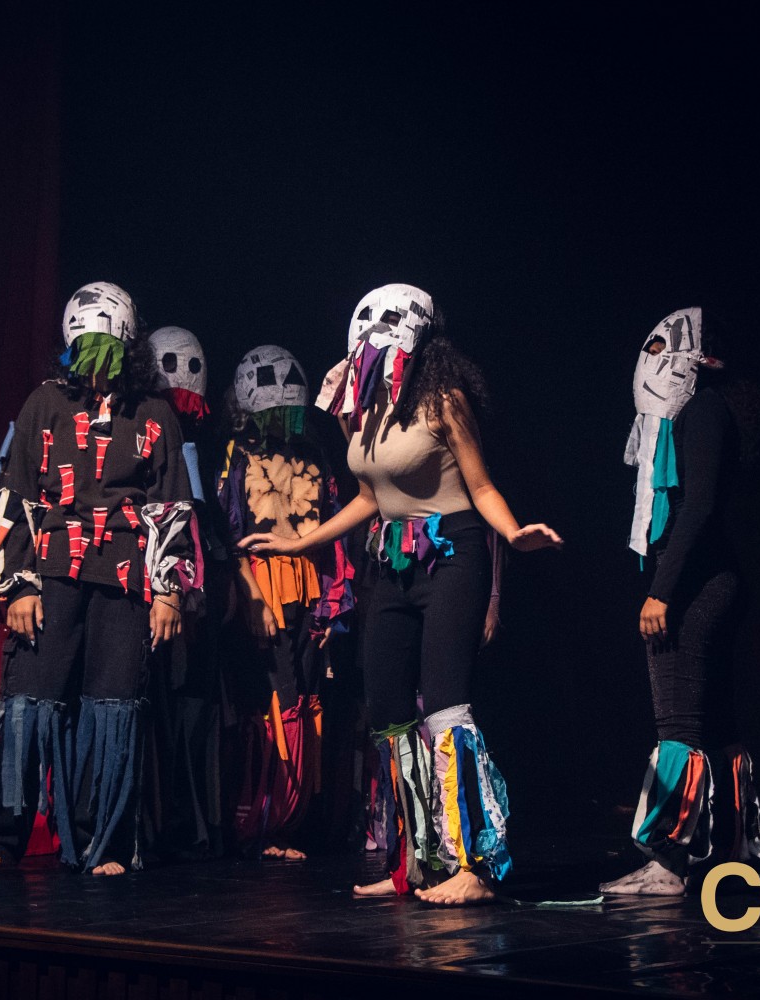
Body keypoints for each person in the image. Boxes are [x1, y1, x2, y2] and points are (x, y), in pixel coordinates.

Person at [240, 283, 562, 906]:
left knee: (445, 706)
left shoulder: (443, 400)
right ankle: (416, 861)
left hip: (452, 552)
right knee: (389, 712)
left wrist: (513, 533)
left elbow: (481, 486)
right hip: (390, 561)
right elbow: (370, 497)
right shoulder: (364, 409)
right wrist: (300, 543)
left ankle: (471, 863)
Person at [0, 282, 199, 875]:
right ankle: (3, 835)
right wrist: (19, 583)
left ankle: (105, 842)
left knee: (112, 706)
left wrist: (168, 589)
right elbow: (14, 493)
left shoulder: (154, 413)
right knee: (28, 698)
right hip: (51, 572)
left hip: (123, 582)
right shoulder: (44, 403)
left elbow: (172, 502)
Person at [603, 308, 760, 896]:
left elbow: (697, 507)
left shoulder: (702, 411)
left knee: (677, 719)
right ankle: (734, 847)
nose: (651, 359)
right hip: (711, 583)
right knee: (716, 722)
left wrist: (661, 591)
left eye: (661, 348)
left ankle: (667, 861)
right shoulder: (707, 412)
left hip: (698, 588)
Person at [217, 345, 355, 860]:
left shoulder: (314, 452)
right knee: (276, 698)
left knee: (304, 697)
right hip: (264, 585)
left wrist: (334, 603)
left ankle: (290, 823)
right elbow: (229, 531)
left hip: (310, 585)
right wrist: (252, 596)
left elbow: (335, 529)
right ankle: (262, 823)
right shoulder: (237, 454)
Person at [143, 325, 225, 860]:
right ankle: (164, 824)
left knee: (192, 703)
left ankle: (191, 825)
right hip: (159, 583)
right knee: (159, 701)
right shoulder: (155, 431)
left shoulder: (198, 442)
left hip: (193, 585)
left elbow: (203, 518)